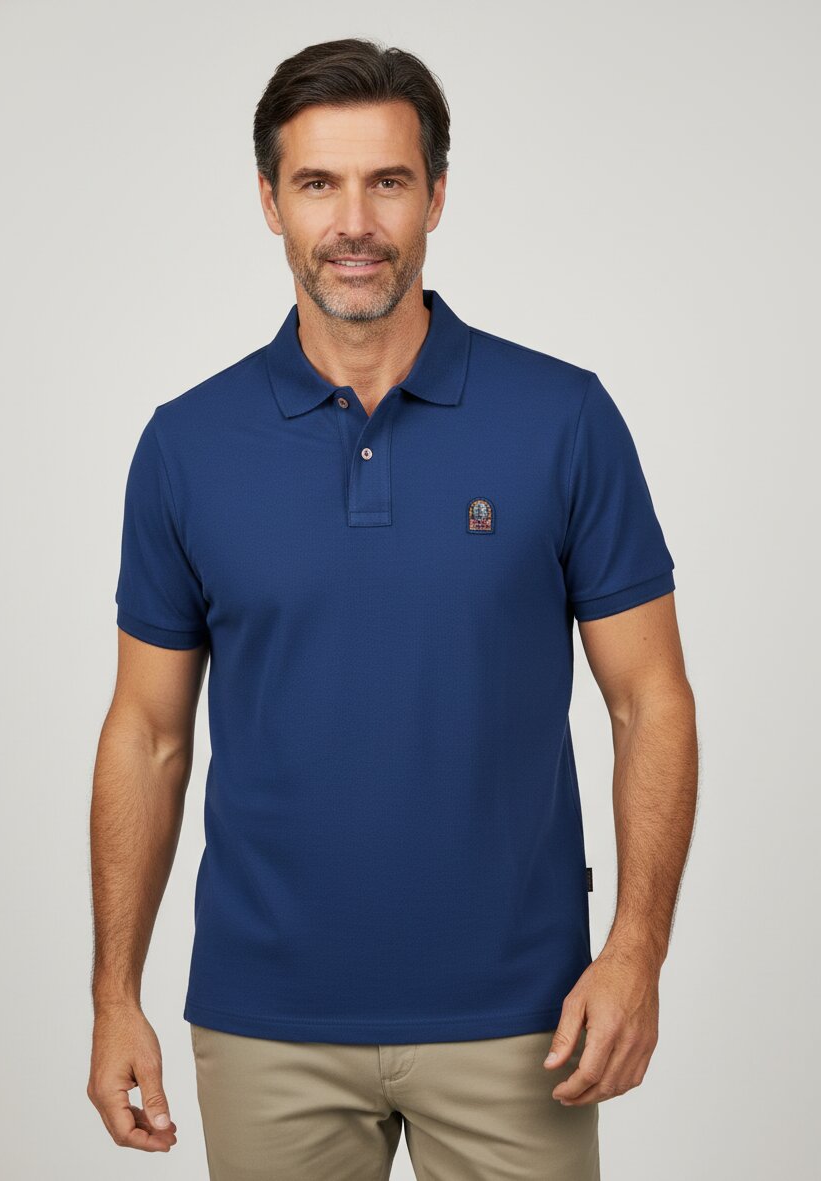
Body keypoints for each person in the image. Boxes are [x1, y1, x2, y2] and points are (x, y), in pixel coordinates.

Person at [87, 36, 698, 1181]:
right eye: (319, 183)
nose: (355, 222)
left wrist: (636, 951)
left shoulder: (562, 419)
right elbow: (149, 733)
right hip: (267, 1023)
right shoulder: (187, 444)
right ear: (270, 200)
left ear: (437, 196)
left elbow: (649, 699)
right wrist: (113, 992)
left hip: (523, 1021)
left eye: (389, 181)